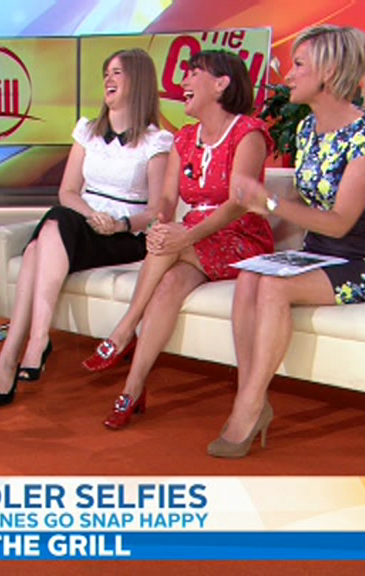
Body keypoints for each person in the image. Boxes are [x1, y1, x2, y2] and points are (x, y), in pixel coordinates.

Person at [222, 25, 365, 458]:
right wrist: (258, 216)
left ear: (330, 71)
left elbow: (340, 224)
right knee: (249, 278)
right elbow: (304, 201)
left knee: (273, 287)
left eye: (298, 64)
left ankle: (248, 405)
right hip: (316, 253)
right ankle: (253, 396)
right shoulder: (306, 130)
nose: (288, 75)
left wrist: (268, 202)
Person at [82, 50, 275, 430]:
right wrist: (161, 224)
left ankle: (125, 328)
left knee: (172, 241)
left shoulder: (248, 133)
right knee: (168, 282)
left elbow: (239, 203)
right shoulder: (184, 138)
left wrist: (183, 234)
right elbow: (168, 199)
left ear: (221, 84)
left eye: (193, 73)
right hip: (194, 240)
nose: (183, 82)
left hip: (240, 235)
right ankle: (133, 387)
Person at [0, 48, 173, 407]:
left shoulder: (156, 141)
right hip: (83, 223)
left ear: (139, 80)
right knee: (51, 228)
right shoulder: (87, 130)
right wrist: (92, 216)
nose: (108, 79)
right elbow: (68, 192)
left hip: (124, 236)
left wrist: (118, 224)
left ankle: (20, 350)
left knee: (40, 244)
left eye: (117, 72)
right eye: (106, 73)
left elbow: (156, 211)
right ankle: (29, 343)